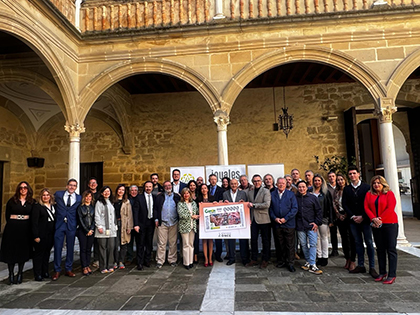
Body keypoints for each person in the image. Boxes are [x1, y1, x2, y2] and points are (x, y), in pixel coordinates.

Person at [342, 166, 378, 278]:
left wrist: (362, 216)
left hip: (365, 219)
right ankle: (361, 265)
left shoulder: (367, 187)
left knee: (369, 242)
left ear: (358, 174)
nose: (352, 175)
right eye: (350, 174)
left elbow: (369, 203)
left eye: (354, 173)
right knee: (357, 242)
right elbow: (345, 204)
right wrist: (352, 216)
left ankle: (372, 267)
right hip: (353, 220)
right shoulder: (347, 189)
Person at [364, 175, 398, 284]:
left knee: (391, 249)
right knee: (380, 249)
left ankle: (392, 274)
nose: (376, 185)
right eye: (374, 183)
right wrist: (373, 219)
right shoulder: (369, 194)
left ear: (383, 184)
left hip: (389, 223)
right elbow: (366, 207)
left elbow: (390, 208)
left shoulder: (389, 194)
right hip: (375, 224)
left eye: (378, 183)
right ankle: (382, 272)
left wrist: (379, 219)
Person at [0, 182, 35, 285]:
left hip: (25, 228)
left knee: (22, 251)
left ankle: (20, 273)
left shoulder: (31, 202)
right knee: (11, 251)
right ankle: (11, 274)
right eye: (21, 188)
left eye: (25, 188)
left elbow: (33, 216)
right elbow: (7, 215)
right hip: (12, 228)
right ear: (18, 189)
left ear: (28, 189)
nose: (23, 190)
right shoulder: (12, 201)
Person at [52, 179, 82, 281]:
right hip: (59, 225)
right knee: (58, 247)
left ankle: (68, 268)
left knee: (70, 248)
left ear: (76, 187)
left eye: (74, 186)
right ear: (66, 186)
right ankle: (57, 270)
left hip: (71, 226)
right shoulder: (58, 195)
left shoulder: (79, 198)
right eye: (70, 185)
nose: (72, 187)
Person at [269, 177, 298, 272]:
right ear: (276, 184)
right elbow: (270, 209)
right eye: (279, 183)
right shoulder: (272, 194)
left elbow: (294, 208)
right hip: (277, 224)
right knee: (279, 244)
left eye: (283, 183)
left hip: (289, 224)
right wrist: (275, 218)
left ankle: (290, 263)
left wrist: (286, 218)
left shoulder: (291, 194)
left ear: (286, 185)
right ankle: (281, 261)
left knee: (290, 244)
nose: (281, 185)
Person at [296, 181, 323, 275]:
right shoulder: (296, 198)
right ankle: (308, 261)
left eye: (303, 187)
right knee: (303, 244)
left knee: (312, 244)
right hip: (300, 225)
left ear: (307, 187)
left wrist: (317, 223)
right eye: (299, 187)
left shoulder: (313, 198)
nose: (301, 189)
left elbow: (319, 211)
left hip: (311, 225)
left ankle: (313, 263)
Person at [246, 175, 272, 269]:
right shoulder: (250, 192)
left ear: (261, 182)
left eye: (258, 181)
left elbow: (267, 204)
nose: (257, 182)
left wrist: (254, 205)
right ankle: (254, 258)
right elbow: (248, 204)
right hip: (253, 219)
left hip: (264, 219)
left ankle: (265, 259)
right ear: (252, 182)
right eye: (255, 181)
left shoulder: (266, 191)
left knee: (265, 240)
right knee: (253, 240)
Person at [222, 178, 248, 266]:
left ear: (238, 184)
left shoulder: (243, 193)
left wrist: (243, 203)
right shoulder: (225, 194)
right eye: (232, 184)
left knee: (242, 239)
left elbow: (246, 205)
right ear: (230, 184)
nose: (233, 185)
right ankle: (232, 258)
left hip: (241, 220)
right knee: (231, 240)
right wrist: (223, 203)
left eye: (235, 183)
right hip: (230, 221)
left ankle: (244, 258)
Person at [32, 188, 56, 281]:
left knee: (47, 253)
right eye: (44, 195)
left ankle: (45, 271)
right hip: (41, 234)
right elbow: (34, 222)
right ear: (41, 197)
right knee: (39, 254)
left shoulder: (53, 206)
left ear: (50, 196)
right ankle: (37, 274)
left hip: (51, 233)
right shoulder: (37, 207)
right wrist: (35, 235)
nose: (46, 197)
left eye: (47, 195)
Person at [333, 173, 356, 271]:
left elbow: (350, 204)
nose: (340, 181)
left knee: (351, 238)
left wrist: (346, 214)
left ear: (345, 180)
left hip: (349, 216)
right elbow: (334, 203)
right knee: (344, 239)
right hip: (340, 216)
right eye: (338, 180)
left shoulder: (349, 190)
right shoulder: (336, 191)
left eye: (341, 179)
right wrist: (338, 214)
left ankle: (352, 260)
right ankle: (347, 258)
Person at [155, 181, 180, 268]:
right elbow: (155, 208)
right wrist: (156, 219)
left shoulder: (177, 196)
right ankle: (160, 261)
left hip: (174, 222)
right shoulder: (159, 196)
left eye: (169, 185)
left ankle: (172, 260)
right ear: (163, 188)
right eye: (166, 186)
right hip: (163, 223)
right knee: (161, 243)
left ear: (172, 186)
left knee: (173, 243)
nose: (168, 187)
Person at [133, 181, 157, 270]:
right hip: (141, 223)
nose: (148, 188)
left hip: (151, 223)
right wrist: (136, 224)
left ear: (152, 188)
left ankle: (147, 261)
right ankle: (140, 262)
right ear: (144, 187)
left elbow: (155, 209)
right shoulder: (139, 198)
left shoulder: (154, 197)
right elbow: (135, 212)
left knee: (149, 243)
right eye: (146, 186)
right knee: (140, 244)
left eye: (150, 187)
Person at [311, 174, 333, 267]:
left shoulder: (326, 192)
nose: (317, 182)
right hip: (313, 218)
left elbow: (330, 206)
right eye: (315, 180)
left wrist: (331, 219)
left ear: (322, 182)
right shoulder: (310, 192)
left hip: (323, 218)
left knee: (324, 237)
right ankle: (319, 256)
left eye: (319, 180)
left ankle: (325, 256)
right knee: (317, 238)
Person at [95, 186, 117, 273]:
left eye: (108, 191)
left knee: (111, 247)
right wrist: (99, 226)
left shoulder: (111, 202)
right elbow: (97, 215)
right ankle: (103, 267)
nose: (106, 193)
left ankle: (110, 265)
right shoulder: (99, 203)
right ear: (101, 193)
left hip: (111, 229)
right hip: (102, 228)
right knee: (102, 248)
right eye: (104, 191)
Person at [177, 188, 199, 270]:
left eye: (188, 193)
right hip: (184, 226)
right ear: (183, 195)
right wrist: (192, 216)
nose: (186, 195)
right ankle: (186, 262)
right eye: (185, 193)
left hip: (192, 226)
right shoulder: (180, 204)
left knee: (191, 244)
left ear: (190, 194)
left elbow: (197, 211)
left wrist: (196, 216)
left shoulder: (193, 203)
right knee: (185, 244)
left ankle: (191, 261)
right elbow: (181, 215)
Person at [113, 184, 133, 270]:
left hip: (124, 224)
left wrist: (129, 227)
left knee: (124, 243)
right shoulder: (112, 201)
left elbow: (129, 215)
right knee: (115, 243)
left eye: (123, 190)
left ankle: (121, 261)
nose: (121, 191)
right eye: (119, 189)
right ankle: (115, 261)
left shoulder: (126, 202)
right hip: (114, 224)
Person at [76, 190, 95, 276]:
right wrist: (86, 231)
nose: (88, 198)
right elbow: (80, 220)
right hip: (82, 231)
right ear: (84, 198)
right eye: (87, 196)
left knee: (88, 249)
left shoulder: (92, 208)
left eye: (90, 196)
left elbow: (94, 219)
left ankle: (88, 265)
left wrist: (91, 229)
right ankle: (84, 266)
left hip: (91, 231)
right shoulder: (80, 208)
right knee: (83, 249)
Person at [208, 173, 224, 262]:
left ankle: (218, 255)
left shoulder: (221, 190)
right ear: (209, 180)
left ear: (217, 180)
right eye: (211, 179)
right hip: (208, 215)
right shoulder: (205, 188)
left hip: (218, 216)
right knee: (209, 237)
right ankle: (209, 254)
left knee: (218, 237)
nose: (213, 181)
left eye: (214, 179)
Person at [197, 184, 214, 267]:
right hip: (202, 222)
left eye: (205, 188)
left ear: (208, 189)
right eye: (202, 188)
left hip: (211, 222)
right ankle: (206, 259)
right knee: (204, 241)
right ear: (200, 190)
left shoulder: (212, 198)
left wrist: (215, 204)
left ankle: (210, 258)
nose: (204, 190)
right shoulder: (198, 200)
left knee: (210, 240)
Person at [126, 185, 139, 265]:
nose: (134, 192)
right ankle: (129, 258)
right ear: (130, 191)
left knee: (139, 242)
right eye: (132, 190)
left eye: (135, 190)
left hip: (138, 224)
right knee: (129, 243)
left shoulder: (140, 199)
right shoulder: (127, 200)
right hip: (129, 225)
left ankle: (138, 257)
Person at [327, 170, 339, 257]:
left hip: (341, 212)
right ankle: (335, 250)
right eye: (330, 176)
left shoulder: (340, 186)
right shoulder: (326, 188)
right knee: (333, 232)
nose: (332, 178)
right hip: (331, 213)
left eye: (333, 176)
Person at [188, 180, 200, 264]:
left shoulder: (199, 196)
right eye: (191, 185)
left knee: (196, 239)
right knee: (189, 240)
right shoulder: (186, 196)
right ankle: (189, 256)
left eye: (193, 185)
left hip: (198, 220)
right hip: (189, 220)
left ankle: (195, 255)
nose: (192, 187)